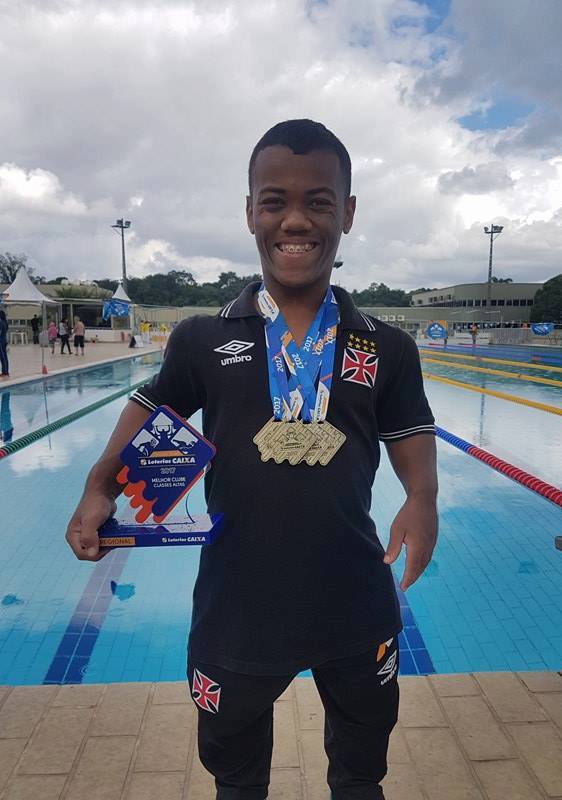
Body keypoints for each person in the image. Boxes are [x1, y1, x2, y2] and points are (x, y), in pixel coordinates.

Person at [66, 119, 438, 800]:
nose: (295, 220)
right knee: (236, 782)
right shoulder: (202, 339)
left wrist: (422, 498)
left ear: (348, 212)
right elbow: (150, 410)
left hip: (354, 600)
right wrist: (100, 488)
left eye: (318, 201)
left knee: (361, 777)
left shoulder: (384, 345)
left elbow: (411, 430)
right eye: (274, 202)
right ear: (249, 213)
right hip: (237, 606)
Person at [0, 309, 9, 377]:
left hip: (1, 341)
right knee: (5, 356)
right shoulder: (5, 322)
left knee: (2, 357)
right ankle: (5, 371)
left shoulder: (0, 322)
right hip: (4, 340)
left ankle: (4, 372)